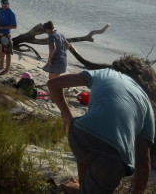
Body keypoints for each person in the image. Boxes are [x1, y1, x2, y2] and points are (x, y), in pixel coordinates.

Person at [48, 55, 156, 194]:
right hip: (112, 156)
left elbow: (52, 84)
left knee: (89, 137)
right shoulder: (146, 104)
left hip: (79, 133)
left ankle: (82, 187)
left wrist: (67, 116)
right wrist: (138, 191)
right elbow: (143, 161)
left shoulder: (105, 72)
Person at [0, 0, 17, 75]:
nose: (4, 6)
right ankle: (1, 65)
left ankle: (7, 69)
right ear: (1, 4)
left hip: (6, 35)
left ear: (8, 4)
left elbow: (14, 26)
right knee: (1, 50)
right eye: (3, 4)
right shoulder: (0, 9)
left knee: (7, 52)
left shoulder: (11, 13)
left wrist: (4, 27)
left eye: (6, 5)